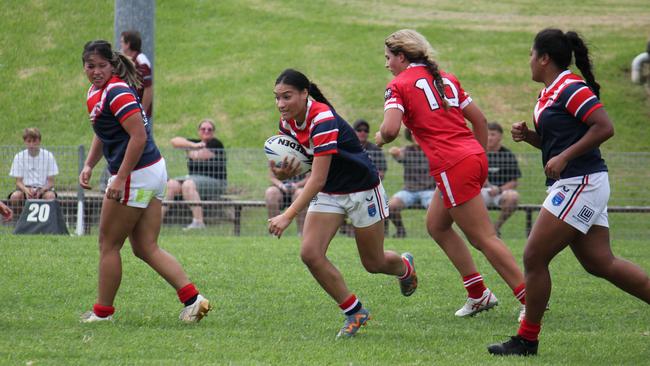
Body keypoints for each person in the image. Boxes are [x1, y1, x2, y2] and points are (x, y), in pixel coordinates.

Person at [487, 29, 650, 356]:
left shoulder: (570, 86)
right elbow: (557, 143)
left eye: (531, 55)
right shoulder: (549, 93)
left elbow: (604, 127)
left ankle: (527, 339)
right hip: (580, 181)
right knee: (600, 262)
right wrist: (530, 137)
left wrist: (564, 157)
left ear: (544, 57)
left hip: (582, 182)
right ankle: (527, 340)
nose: (529, 62)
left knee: (534, 255)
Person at [377, 29, 526, 320]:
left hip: (452, 164)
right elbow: (480, 120)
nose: (387, 65)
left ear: (402, 56)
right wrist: (480, 157)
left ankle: (529, 298)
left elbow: (391, 130)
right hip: (471, 156)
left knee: (483, 237)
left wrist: (380, 138)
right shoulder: (446, 78)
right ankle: (478, 294)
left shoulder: (397, 85)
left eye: (388, 58)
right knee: (437, 225)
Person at [267, 69, 418, 339]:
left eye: (287, 96)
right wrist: (286, 173)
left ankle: (404, 267)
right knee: (310, 253)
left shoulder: (323, 118)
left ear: (304, 94)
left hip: (361, 189)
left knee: (373, 262)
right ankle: (355, 311)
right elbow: (310, 165)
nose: (281, 104)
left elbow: (317, 177)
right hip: (330, 191)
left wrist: (287, 214)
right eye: (277, 97)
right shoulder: (287, 123)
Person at [79, 40, 211, 323]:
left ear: (113, 65)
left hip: (136, 173)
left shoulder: (115, 91)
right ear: (84, 67)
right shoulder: (97, 92)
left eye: (102, 65)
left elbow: (138, 137)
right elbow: (104, 132)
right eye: (91, 66)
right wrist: (90, 164)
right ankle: (194, 299)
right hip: (151, 170)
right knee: (145, 246)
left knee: (108, 244)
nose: (96, 71)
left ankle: (102, 314)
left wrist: (120, 178)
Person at [162, 119, 227, 230]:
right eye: (203, 129)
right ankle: (157, 221)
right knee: (171, 184)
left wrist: (189, 150)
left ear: (213, 132)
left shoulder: (216, 144)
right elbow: (174, 141)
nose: (206, 131)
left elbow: (199, 155)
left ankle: (198, 222)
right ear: (198, 131)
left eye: (209, 129)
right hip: (194, 179)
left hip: (215, 181)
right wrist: (193, 145)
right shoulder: (195, 143)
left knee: (188, 184)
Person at [339, 119, 389, 236]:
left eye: (365, 130)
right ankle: (348, 229)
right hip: (348, 187)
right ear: (353, 132)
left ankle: (381, 232)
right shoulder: (346, 147)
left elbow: (381, 172)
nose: (362, 132)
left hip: (370, 188)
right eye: (359, 130)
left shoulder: (375, 149)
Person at [387, 128, 435, 238]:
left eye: (418, 133)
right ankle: (401, 231)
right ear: (410, 136)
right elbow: (399, 155)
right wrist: (394, 152)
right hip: (409, 191)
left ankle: (436, 233)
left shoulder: (433, 150)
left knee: (435, 208)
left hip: (430, 191)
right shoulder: (407, 151)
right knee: (390, 206)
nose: (415, 136)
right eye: (413, 133)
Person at [481, 122, 521, 237]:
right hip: (480, 191)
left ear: (500, 136)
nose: (489, 138)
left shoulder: (507, 155)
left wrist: (498, 190)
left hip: (500, 192)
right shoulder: (478, 152)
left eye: (493, 134)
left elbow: (514, 182)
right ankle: (480, 230)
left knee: (513, 197)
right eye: (487, 134)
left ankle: (495, 228)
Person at [8, 127, 59, 214]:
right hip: (25, 189)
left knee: (50, 196)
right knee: (15, 197)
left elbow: (51, 182)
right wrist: (26, 190)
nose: (31, 144)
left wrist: (41, 191)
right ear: (25, 142)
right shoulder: (19, 157)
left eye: (34, 141)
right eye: (29, 141)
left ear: (39, 141)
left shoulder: (48, 156)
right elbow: (18, 182)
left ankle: (46, 222)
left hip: (43, 189)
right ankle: (21, 220)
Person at [120, 30, 153, 119]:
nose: (121, 45)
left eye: (122, 42)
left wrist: (143, 113)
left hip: (138, 113)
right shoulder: (128, 60)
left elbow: (148, 89)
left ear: (128, 44)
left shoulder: (141, 62)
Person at [265, 169, 309, 236]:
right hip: (280, 189)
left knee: (300, 193)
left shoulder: (307, 158)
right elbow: (272, 177)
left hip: (298, 188)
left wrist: (296, 185)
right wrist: (281, 185)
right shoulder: (275, 158)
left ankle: (302, 234)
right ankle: (274, 233)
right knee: (270, 192)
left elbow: (309, 177)